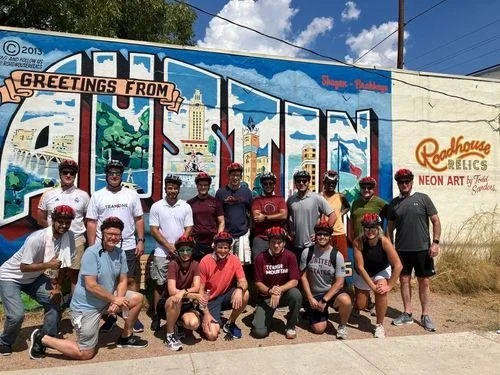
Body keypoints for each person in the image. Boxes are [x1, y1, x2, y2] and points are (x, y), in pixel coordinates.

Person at [28, 217, 148, 360]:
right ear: (102, 234)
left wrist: (117, 301)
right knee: (85, 353)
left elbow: (123, 280)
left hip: (107, 300)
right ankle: (42, 338)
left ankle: (126, 337)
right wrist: (115, 299)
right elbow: (91, 285)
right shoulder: (91, 253)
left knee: (137, 298)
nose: (113, 238)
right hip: (86, 307)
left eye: (117, 235)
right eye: (110, 234)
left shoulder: (120, 253)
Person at [0, 205, 76, 356]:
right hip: (11, 276)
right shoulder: (36, 239)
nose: (64, 225)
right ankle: (5, 341)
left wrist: (58, 288)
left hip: (34, 277)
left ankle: (46, 339)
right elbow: (23, 267)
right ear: (53, 220)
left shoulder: (69, 237)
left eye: (67, 222)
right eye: (60, 221)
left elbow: (62, 265)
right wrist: (48, 265)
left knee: (55, 301)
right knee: (16, 315)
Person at [86, 159, 146, 333]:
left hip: (127, 245)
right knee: (105, 283)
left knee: (130, 280)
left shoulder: (131, 194)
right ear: (106, 175)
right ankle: (110, 317)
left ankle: (131, 316)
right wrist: (92, 247)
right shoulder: (98, 195)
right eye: (111, 173)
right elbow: (91, 222)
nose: (114, 176)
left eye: (117, 173)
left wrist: (140, 240)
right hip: (103, 246)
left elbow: (139, 219)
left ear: (121, 176)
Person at [387, 168, 441, 332]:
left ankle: (425, 315)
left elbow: (436, 221)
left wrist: (435, 243)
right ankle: (407, 313)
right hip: (402, 250)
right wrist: (391, 250)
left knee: (424, 281)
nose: (404, 184)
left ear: (411, 182)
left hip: (423, 249)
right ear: (397, 184)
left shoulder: (423, 199)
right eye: (401, 182)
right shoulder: (394, 204)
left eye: (407, 181)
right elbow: (389, 230)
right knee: (404, 280)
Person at [37, 159, 90, 293]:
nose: (68, 175)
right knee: (52, 275)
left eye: (72, 173)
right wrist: (52, 232)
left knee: (74, 275)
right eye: (65, 172)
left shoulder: (83, 195)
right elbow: (40, 219)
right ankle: (53, 308)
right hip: (53, 240)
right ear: (60, 174)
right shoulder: (48, 194)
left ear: (75, 175)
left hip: (76, 239)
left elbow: (88, 220)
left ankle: (75, 308)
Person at [149, 174, 193, 332]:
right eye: (170, 187)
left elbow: (189, 227)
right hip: (162, 252)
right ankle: (156, 314)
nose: (172, 190)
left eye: (175, 188)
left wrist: (180, 245)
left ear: (179, 189)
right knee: (159, 284)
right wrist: (168, 246)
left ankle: (177, 313)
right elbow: (153, 230)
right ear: (165, 188)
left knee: (179, 284)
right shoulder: (157, 206)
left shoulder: (185, 206)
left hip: (181, 252)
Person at [300, 220, 352, 339]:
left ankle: (342, 325)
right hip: (315, 294)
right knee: (319, 330)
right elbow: (303, 277)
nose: (322, 237)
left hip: (330, 293)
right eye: (319, 234)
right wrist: (309, 297)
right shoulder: (307, 252)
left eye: (325, 234)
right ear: (316, 235)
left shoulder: (337, 255)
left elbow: (340, 283)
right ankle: (312, 311)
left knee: (346, 301)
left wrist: (324, 300)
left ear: (330, 237)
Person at [353, 213, 402, 338]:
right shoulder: (358, 242)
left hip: (380, 270)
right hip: (363, 272)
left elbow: (398, 265)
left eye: (373, 228)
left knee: (381, 291)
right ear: (363, 229)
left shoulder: (384, 241)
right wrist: (371, 285)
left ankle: (379, 325)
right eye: (367, 228)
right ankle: (359, 303)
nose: (370, 231)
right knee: (361, 305)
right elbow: (360, 267)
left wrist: (389, 286)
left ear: (378, 228)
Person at [252, 227, 302, 339]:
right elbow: (258, 283)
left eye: (279, 242)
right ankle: (264, 318)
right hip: (266, 297)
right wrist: (270, 291)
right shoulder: (260, 258)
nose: (276, 245)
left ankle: (291, 326)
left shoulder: (290, 256)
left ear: (284, 243)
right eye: (273, 242)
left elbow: (294, 281)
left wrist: (279, 291)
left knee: (296, 294)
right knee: (259, 333)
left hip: (284, 294)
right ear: (268, 243)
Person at [199, 231, 250, 341]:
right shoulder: (205, 261)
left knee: (245, 294)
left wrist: (240, 289)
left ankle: (230, 323)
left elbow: (244, 281)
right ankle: (202, 317)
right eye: (220, 247)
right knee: (212, 335)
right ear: (214, 246)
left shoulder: (234, 259)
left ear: (230, 248)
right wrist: (206, 313)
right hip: (210, 300)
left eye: (226, 248)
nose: (223, 251)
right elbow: (200, 291)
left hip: (225, 294)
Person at [349, 176, 388, 315]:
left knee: (376, 274)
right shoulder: (355, 203)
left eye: (369, 187)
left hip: (375, 244)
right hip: (360, 245)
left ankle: (378, 310)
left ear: (373, 189)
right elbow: (351, 220)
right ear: (360, 188)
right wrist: (352, 236)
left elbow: (392, 218)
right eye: (364, 187)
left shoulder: (380, 203)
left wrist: (387, 238)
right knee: (360, 270)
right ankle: (364, 301)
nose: (366, 190)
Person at [163, 235, 203, 351]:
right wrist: (191, 295)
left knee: (193, 324)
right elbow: (171, 291)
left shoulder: (195, 264)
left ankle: (178, 323)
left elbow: (196, 287)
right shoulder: (173, 264)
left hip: (186, 304)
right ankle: (170, 334)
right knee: (175, 299)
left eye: (188, 249)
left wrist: (183, 292)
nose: (185, 253)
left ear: (192, 250)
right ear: (178, 251)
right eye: (182, 250)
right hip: (170, 303)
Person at [287, 170, 335, 260]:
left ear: (309, 182)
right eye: (298, 181)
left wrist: (323, 233)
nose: (301, 183)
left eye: (304, 181)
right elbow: (286, 219)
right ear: (295, 183)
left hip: (313, 245)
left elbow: (333, 215)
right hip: (295, 245)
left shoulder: (316, 198)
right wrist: (289, 233)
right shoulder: (290, 200)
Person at [215, 162, 253, 263]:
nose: (235, 178)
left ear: (241, 176)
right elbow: (218, 215)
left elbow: (251, 213)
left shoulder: (247, 192)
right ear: (229, 176)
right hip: (226, 235)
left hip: (242, 234)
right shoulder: (220, 192)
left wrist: (249, 229)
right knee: (226, 263)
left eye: (238, 175)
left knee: (242, 263)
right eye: (233, 175)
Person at [187, 171, 224, 262]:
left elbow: (221, 222)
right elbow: (186, 224)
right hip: (196, 244)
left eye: (205, 185)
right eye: (200, 185)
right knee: (197, 271)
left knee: (212, 271)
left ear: (209, 186)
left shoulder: (216, 202)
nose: (203, 187)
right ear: (197, 186)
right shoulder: (190, 203)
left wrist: (217, 240)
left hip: (212, 243)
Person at [251, 172, 287, 261]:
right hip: (261, 238)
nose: (268, 185)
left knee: (278, 266)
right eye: (265, 183)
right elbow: (257, 218)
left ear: (274, 184)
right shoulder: (257, 200)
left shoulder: (280, 199)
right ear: (262, 185)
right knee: (258, 264)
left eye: (271, 183)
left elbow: (284, 215)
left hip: (277, 239)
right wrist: (276, 217)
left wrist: (265, 217)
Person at [320, 170, 350, 259]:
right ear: (324, 183)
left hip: (339, 233)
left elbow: (347, 207)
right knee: (325, 261)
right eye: (329, 183)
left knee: (342, 260)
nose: (331, 185)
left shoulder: (340, 196)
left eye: (334, 183)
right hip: (324, 234)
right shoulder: (318, 197)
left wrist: (340, 214)